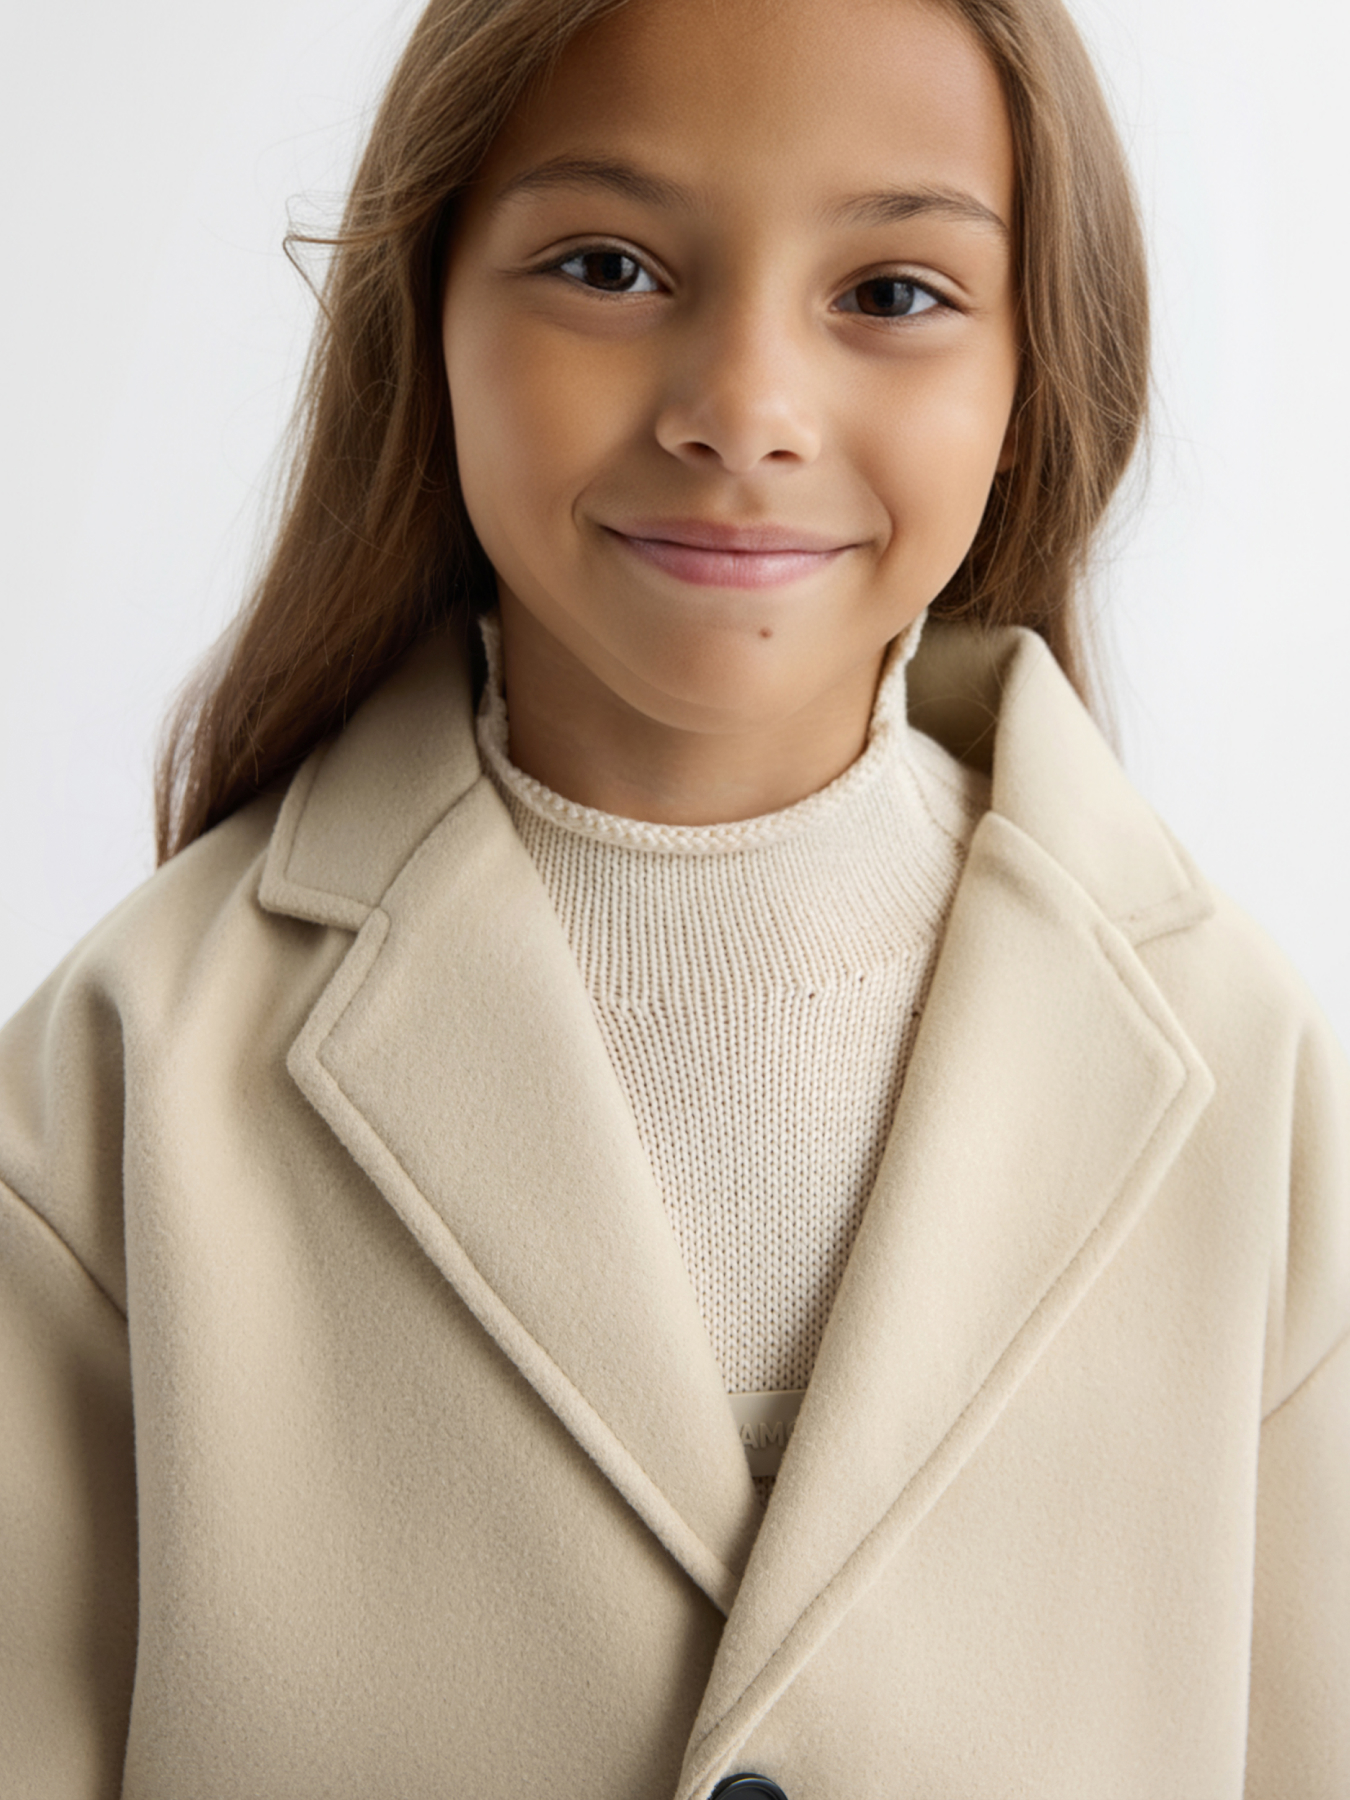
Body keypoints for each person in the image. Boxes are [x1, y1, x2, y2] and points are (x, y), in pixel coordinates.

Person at [1, 0, 1346, 1793]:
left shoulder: (1236, 1072)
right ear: (428, 319)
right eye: (609, 263)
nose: (744, 412)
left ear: (1037, 375)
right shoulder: (120, 1080)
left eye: (889, 294)